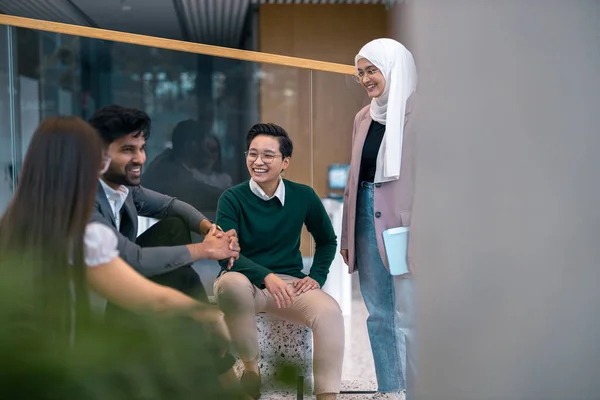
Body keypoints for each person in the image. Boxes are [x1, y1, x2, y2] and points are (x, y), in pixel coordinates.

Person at [0, 116, 244, 399]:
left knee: (174, 245)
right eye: (98, 159)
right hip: (61, 369)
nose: (103, 167)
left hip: (21, 366)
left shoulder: (17, 224)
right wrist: (208, 313)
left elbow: (169, 208)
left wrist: (208, 231)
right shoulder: (83, 230)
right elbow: (146, 285)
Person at [214, 123, 344, 400]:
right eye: (252, 154)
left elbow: (328, 240)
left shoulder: (303, 196)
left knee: (330, 312)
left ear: (285, 162)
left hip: (288, 285)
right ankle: (251, 369)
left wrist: (317, 277)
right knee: (231, 287)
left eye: (268, 155)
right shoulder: (232, 198)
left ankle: (328, 396)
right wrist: (266, 277)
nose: (258, 161)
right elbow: (227, 254)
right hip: (243, 280)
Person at [87, 106, 238, 317]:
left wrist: (211, 230)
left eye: (141, 148)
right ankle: (208, 330)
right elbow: (132, 259)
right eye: (128, 150)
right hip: (104, 303)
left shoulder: (124, 188)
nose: (140, 159)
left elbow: (169, 205)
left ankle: (204, 334)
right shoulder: (86, 201)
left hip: (130, 285)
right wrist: (207, 250)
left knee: (174, 228)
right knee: (181, 276)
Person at [340, 38, 418, 400]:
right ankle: (390, 389)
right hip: (366, 214)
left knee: (410, 313)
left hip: (407, 219)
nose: (366, 79)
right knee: (378, 312)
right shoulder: (363, 116)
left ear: (393, 68)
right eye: (360, 73)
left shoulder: (420, 114)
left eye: (372, 70)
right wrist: (347, 235)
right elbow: (355, 181)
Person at [143, 119, 231, 221]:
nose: (208, 151)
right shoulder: (168, 169)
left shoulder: (169, 162)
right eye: (205, 144)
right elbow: (198, 191)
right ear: (192, 145)